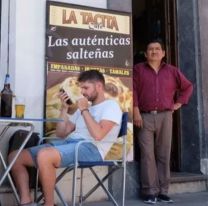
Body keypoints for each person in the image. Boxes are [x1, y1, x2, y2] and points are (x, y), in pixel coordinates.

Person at [8, 70, 122, 206]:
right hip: (70, 143)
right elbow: (61, 133)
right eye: (81, 88)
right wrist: (64, 108)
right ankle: (25, 201)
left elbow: (98, 135)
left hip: (92, 149)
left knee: (44, 156)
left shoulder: (111, 106)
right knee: (15, 157)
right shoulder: (84, 107)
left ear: (99, 86)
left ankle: (49, 204)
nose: (83, 92)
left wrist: (84, 110)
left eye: (86, 88)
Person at [133, 39, 193, 204]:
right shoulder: (138, 69)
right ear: (145, 54)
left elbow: (188, 86)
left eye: (157, 49)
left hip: (165, 116)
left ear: (163, 53)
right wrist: (136, 111)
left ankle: (163, 191)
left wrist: (179, 103)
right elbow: (133, 91)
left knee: (163, 154)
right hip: (143, 116)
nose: (154, 51)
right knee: (147, 155)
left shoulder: (172, 71)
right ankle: (149, 191)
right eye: (150, 49)